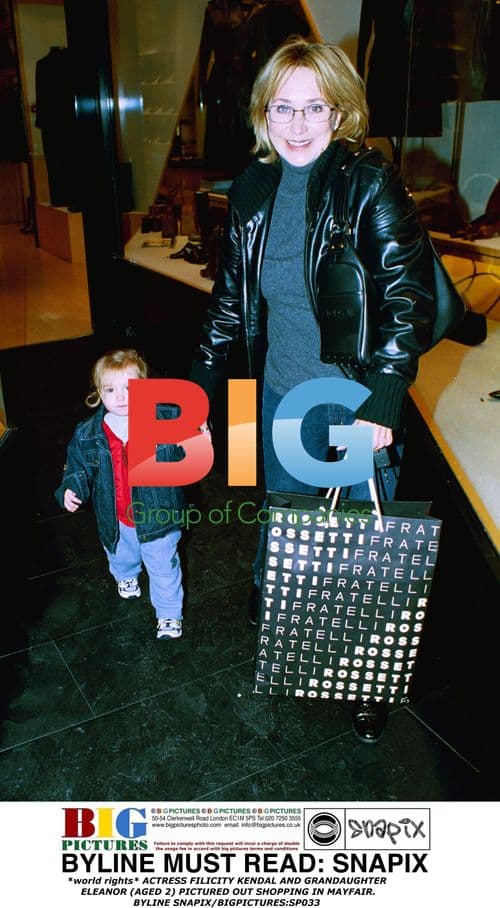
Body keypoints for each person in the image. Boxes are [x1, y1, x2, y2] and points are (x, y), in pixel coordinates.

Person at [189, 38, 440, 741]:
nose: (297, 125)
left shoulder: (367, 183)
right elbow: (229, 308)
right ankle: (286, 602)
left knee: (363, 544)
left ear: (340, 112)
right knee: (288, 514)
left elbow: (406, 299)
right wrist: (197, 398)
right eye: (282, 108)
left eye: (314, 108)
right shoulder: (250, 192)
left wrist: (385, 401)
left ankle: (368, 674)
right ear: (263, 114)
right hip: (276, 394)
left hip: (348, 398)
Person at [55, 349, 185, 640]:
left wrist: (200, 433)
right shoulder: (89, 432)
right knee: (121, 554)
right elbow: (77, 467)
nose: (121, 396)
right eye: (111, 389)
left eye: (130, 387)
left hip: (157, 515)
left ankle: (168, 615)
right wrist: (70, 489)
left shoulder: (164, 418)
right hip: (115, 516)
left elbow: (188, 443)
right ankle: (126, 576)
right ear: (98, 392)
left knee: (164, 568)